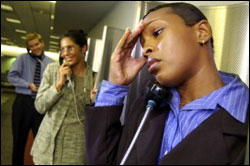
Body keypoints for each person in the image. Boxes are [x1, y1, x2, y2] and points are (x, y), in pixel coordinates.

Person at [85, 2, 249, 165]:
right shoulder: (148, 105)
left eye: (157, 33)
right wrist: (115, 84)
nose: (145, 49)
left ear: (202, 32)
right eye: (142, 44)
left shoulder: (242, 115)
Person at [30, 29, 96, 165]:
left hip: (73, 149)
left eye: (70, 48)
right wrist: (58, 84)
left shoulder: (94, 78)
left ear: (84, 48)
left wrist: (95, 103)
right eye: (62, 49)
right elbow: (40, 107)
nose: (65, 53)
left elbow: (97, 119)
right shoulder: (53, 70)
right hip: (46, 144)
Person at [7, 32, 54, 165]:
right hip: (23, 103)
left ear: (42, 43)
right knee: (19, 140)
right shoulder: (22, 59)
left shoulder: (50, 63)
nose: (35, 48)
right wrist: (28, 85)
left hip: (41, 105)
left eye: (37, 44)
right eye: (31, 46)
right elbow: (12, 76)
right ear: (28, 48)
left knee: (42, 141)